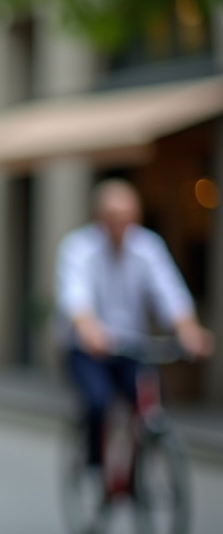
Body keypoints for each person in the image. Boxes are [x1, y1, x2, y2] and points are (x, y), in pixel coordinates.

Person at [55, 178, 213, 470]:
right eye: (114, 218)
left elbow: (170, 293)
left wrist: (188, 330)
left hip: (132, 348)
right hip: (90, 350)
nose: (121, 226)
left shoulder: (148, 247)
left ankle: (138, 470)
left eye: (128, 218)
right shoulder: (78, 248)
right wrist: (89, 329)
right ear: (98, 218)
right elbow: (74, 297)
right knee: (97, 402)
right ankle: (95, 466)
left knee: (152, 404)